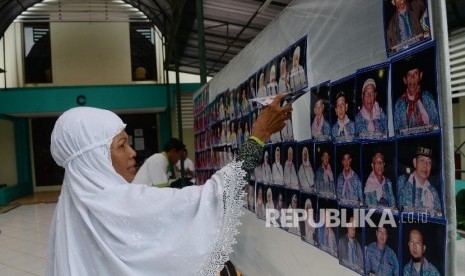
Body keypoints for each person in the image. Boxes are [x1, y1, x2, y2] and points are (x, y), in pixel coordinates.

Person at [46, 94, 292, 275]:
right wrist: (259, 135)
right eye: (121, 145)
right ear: (93, 158)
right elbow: (216, 195)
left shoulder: (69, 211)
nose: (133, 153)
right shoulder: (123, 204)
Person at [393, 62, 439, 133]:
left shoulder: (427, 97)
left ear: (420, 76)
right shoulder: (399, 104)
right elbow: (397, 131)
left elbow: (436, 124)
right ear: (404, 80)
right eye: (409, 74)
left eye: (415, 73)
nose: (412, 77)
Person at [398, 146, 442, 217]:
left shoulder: (433, 191)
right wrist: (430, 212)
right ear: (415, 163)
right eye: (422, 160)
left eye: (429, 162)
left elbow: (439, 215)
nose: (425, 165)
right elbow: (402, 208)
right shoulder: (403, 182)